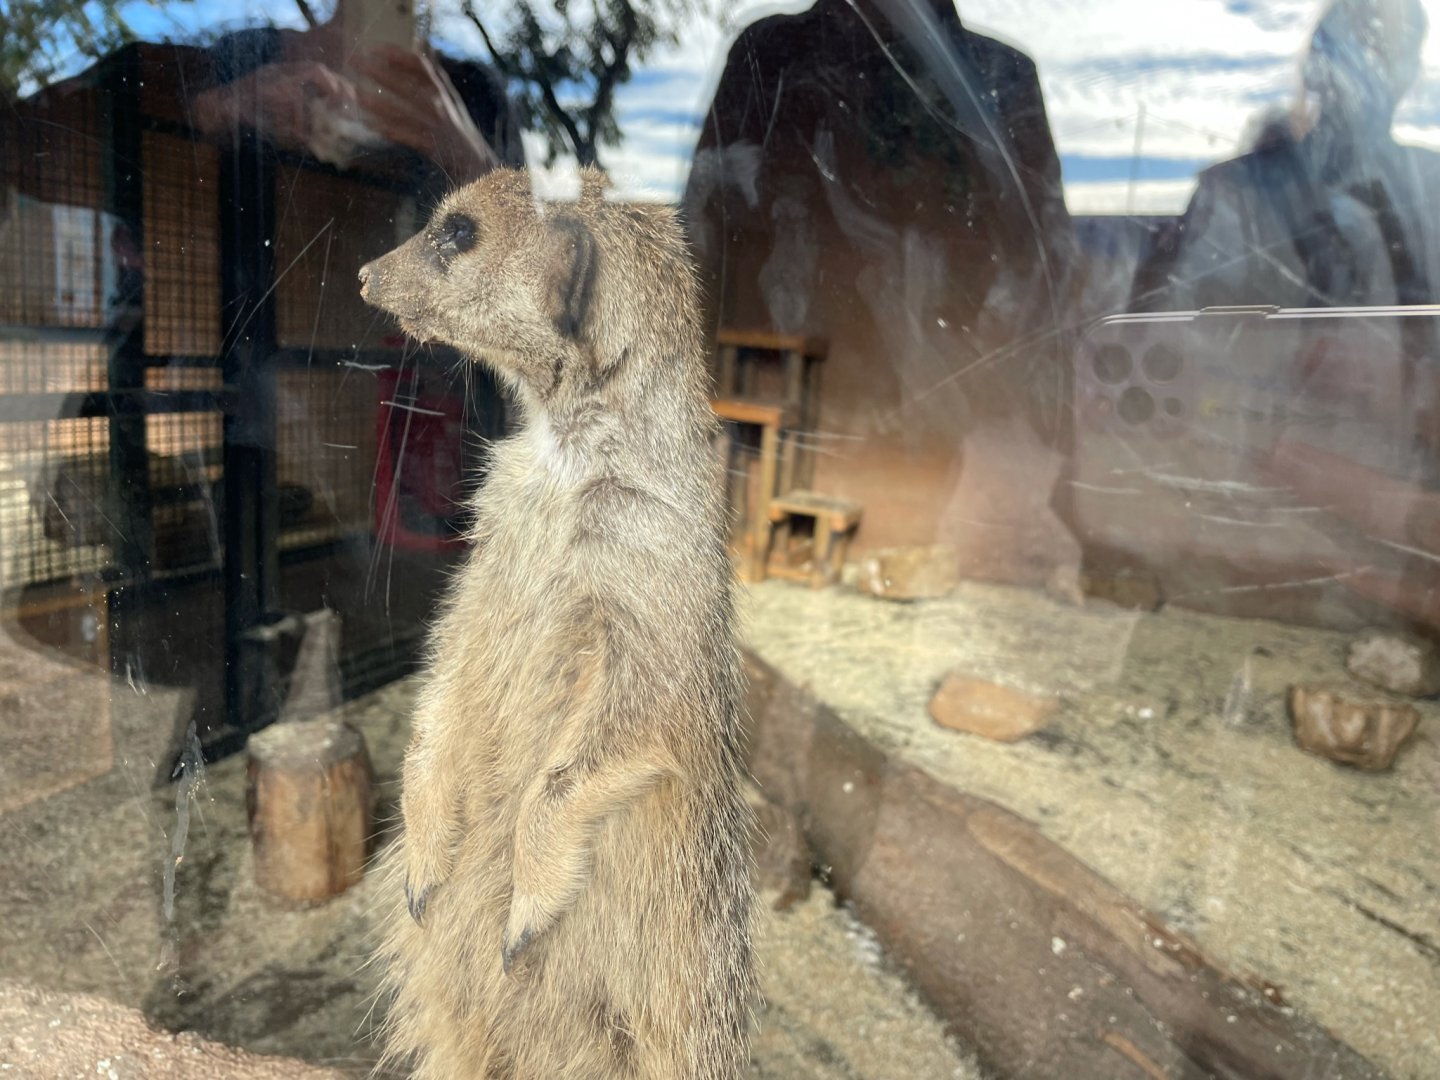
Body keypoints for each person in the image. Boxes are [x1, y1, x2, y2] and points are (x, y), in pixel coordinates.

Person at [1130, 0, 1438, 315]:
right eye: (1354, 45)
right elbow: (1181, 337)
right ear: (1315, 66)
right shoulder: (1234, 196)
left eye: (1399, 53)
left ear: (1413, 72)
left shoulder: (1430, 186)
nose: (1374, 70)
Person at [190, 0, 525, 192]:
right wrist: (236, 103)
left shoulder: (475, 92)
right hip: (258, 304)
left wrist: (459, 149)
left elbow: (533, 254)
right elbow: (163, 150)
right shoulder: (253, 53)